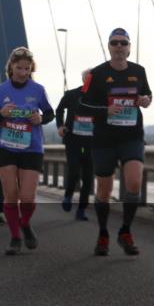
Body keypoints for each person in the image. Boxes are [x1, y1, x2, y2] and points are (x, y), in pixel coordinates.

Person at [77, 28, 152, 258]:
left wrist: (145, 100)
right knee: (104, 191)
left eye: (123, 43)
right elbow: (82, 106)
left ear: (129, 47)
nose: (119, 46)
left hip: (132, 136)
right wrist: (106, 110)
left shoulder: (139, 71)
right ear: (108, 47)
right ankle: (103, 234)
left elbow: (148, 96)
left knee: (133, 184)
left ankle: (125, 231)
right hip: (105, 139)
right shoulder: (97, 74)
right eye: (114, 43)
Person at [0, 47, 54, 254]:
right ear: (11, 67)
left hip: (32, 147)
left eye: (27, 68)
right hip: (6, 147)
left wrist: (40, 118)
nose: (23, 72)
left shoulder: (38, 90)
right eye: (19, 68)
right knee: (11, 194)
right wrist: (2, 114)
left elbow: (50, 113)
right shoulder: (0, 91)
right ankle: (15, 237)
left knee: (27, 197)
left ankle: (24, 223)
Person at [55, 70, 95, 221]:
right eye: (87, 78)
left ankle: (82, 210)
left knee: (88, 177)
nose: (90, 81)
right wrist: (60, 126)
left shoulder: (101, 96)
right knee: (74, 172)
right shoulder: (71, 94)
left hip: (91, 142)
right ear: (83, 79)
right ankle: (68, 195)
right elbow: (59, 110)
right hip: (73, 140)